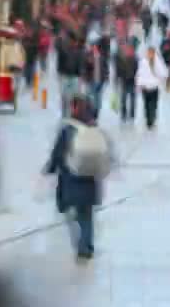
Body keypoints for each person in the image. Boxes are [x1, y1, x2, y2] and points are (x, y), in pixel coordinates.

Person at [43, 95, 104, 260]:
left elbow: (58, 153)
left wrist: (49, 169)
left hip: (71, 180)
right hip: (90, 180)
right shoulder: (94, 128)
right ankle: (87, 245)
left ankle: (81, 245)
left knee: (70, 213)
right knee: (87, 215)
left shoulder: (68, 129)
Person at [136, 47, 168, 129]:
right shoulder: (158, 62)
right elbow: (164, 74)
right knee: (153, 105)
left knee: (146, 104)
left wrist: (139, 84)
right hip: (154, 87)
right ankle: (151, 120)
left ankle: (148, 121)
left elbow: (139, 74)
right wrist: (161, 80)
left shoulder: (143, 61)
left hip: (145, 87)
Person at [116, 43, 138, 123]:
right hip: (124, 81)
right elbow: (119, 70)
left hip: (132, 81)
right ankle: (124, 114)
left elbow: (138, 70)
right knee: (124, 99)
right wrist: (118, 78)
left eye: (130, 50)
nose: (129, 51)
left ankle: (131, 114)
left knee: (132, 99)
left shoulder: (135, 59)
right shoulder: (122, 59)